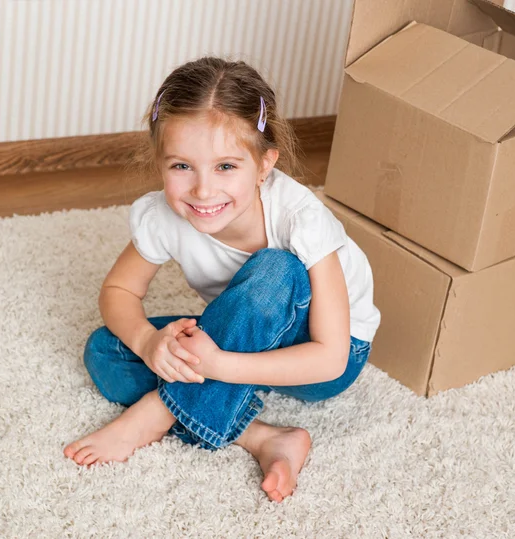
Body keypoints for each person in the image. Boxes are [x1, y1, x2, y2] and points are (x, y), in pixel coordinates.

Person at [63, 56, 381, 503]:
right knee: (106, 350)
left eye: (226, 167)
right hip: (240, 335)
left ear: (265, 164)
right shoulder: (164, 215)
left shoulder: (301, 220)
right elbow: (119, 291)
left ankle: (154, 413)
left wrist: (217, 366)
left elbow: (331, 359)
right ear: (160, 162)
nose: (203, 190)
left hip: (323, 352)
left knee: (277, 269)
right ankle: (263, 437)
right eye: (181, 166)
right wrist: (149, 343)